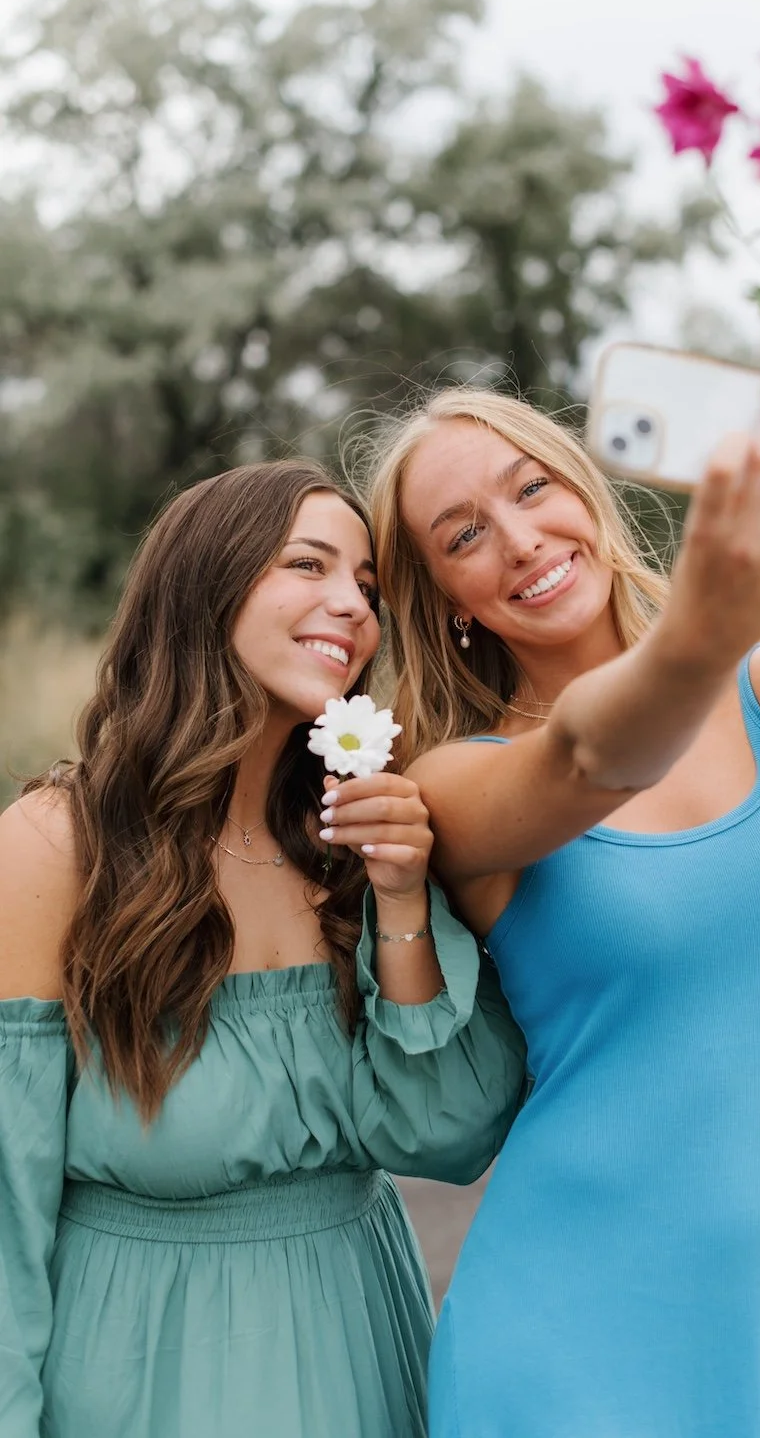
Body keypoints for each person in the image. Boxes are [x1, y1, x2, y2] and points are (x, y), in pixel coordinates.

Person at [359, 346, 760, 1438]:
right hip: (577, 1342)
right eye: (464, 535)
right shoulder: (452, 783)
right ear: (447, 601)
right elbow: (593, 757)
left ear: (582, 488)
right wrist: (708, 624)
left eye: (530, 488)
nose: (520, 539)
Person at [0, 460, 526, 1438]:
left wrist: (402, 895)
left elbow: (445, 1137)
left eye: (366, 586)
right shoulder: (54, 847)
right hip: (142, 1375)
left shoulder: (353, 845)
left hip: (361, 1346)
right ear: (203, 586)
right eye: (308, 564)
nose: (352, 607)